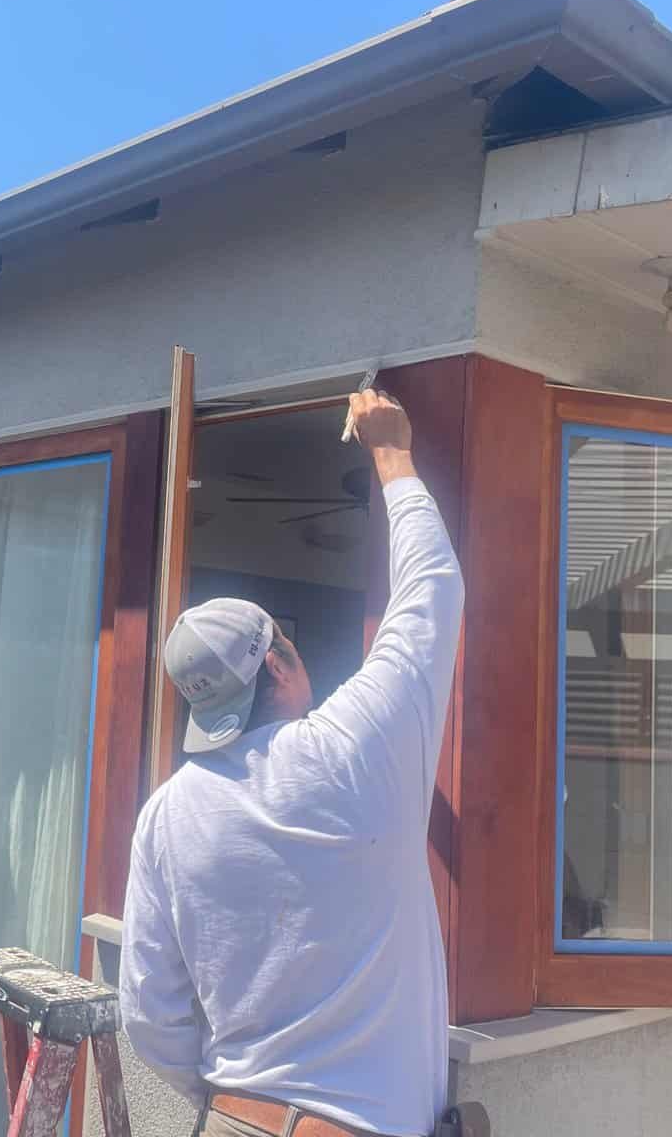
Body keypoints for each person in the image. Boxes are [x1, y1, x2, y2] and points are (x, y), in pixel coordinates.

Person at [121, 389, 465, 1137]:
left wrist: (238, 1100)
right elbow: (430, 590)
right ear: (278, 665)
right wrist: (392, 452)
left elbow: (149, 1016)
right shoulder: (353, 749)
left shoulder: (166, 815)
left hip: (232, 1120)